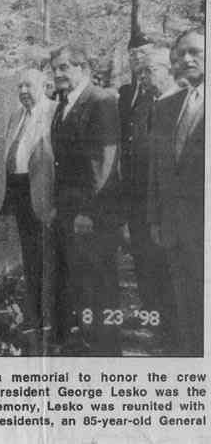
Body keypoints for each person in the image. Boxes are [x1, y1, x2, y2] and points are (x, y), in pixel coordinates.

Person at [49, 45, 122, 356]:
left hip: (91, 212)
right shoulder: (63, 103)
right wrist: (56, 204)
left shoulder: (101, 100)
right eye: (55, 68)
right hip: (67, 209)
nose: (58, 73)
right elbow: (61, 163)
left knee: (98, 281)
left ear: (83, 68)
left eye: (64, 67)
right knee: (79, 279)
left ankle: (106, 349)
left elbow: (103, 162)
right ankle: (88, 340)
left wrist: (88, 212)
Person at [118, 34, 178, 351]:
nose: (143, 77)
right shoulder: (142, 104)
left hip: (169, 207)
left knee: (166, 270)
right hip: (139, 201)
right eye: (140, 72)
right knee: (146, 266)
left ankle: (171, 334)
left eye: (149, 70)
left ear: (168, 70)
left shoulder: (179, 103)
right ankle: (156, 326)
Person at [148, 28, 204, 356]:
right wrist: (155, 217)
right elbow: (159, 168)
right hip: (174, 228)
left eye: (195, 51)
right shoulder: (169, 107)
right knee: (185, 307)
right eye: (180, 53)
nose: (186, 59)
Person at [0, 68, 57, 354]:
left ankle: (53, 321)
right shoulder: (16, 115)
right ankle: (35, 317)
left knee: (49, 258)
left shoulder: (55, 111)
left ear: (45, 86)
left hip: (44, 194)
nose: (23, 91)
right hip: (19, 191)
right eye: (19, 86)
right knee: (31, 256)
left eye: (28, 85)